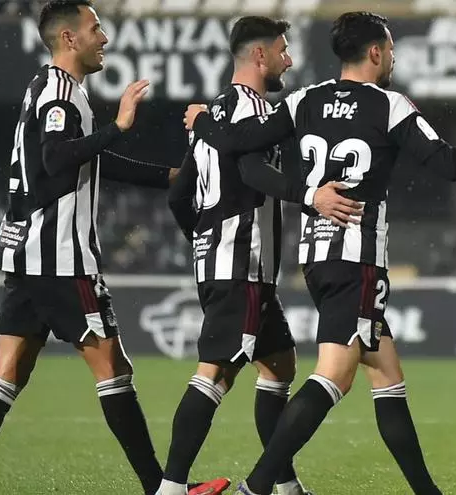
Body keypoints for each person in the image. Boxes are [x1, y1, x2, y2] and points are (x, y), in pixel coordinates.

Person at [183, 11, 456, 495]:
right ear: (376, 52)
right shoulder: (389, 105)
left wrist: (204, 121)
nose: (394, 58)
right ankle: (255, 488)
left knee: (387, 376)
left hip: (316, 258)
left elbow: (239, 143)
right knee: (334, 377)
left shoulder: (304, 100)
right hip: (356, 258)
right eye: (392, 49)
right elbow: (450, 164)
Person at [0, 1, 223, 494]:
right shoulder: (59, 92)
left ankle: (160, 488)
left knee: (7, 373)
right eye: (95, 28)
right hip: (59, 257)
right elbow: (56, 159)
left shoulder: (51, 87)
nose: (105, 37)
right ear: (69, 38)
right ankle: (161, 488)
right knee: (113, 368)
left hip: (28, 254)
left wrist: (171, 176)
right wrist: (118, 126)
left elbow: (90, 163)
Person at [160, 16, 360, 495]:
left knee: (279, 365)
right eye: (282, 50)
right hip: (242, 262)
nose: (288, 60)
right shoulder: (253, 111)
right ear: (259, 55)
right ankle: (170, 488)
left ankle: (284, 485)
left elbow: (179, 195)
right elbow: (252, 173)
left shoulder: (212, 114)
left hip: (227, 260)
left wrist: (203, 241)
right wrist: (310, 196)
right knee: (215, 372)